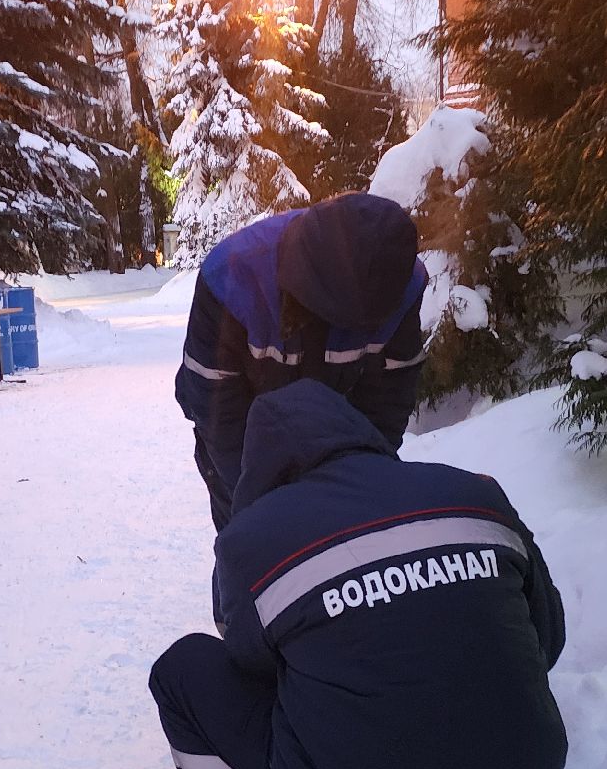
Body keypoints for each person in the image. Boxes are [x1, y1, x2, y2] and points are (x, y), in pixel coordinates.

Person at [148, 380, 568, 769]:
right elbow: (548, 639)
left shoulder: (252, 540)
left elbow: (253, 669)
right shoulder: (475, 494)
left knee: (182, 674)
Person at [176, 193, 427, 533]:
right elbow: (217, 412)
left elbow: (388, 401)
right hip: (243, 441)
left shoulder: (401, 280)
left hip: (338, 442)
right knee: (251, 549)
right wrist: (260, 502)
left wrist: (359, 481)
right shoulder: (230, 276)